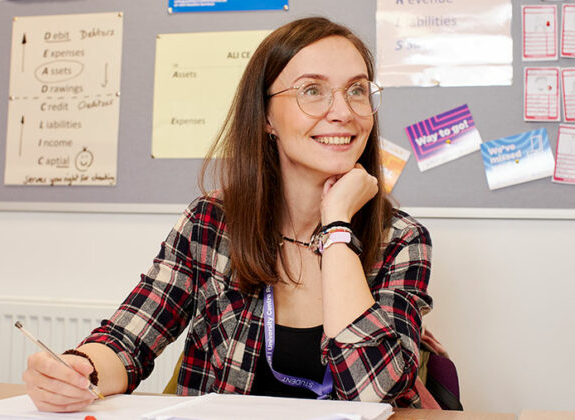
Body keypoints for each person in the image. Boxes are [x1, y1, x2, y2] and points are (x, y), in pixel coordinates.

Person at [22, 16, 433, 412]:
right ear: (267, 116)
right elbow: (128, 340)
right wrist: (79, 372)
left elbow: (373, 391)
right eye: (312, 90)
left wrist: (338, 225)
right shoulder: (211, 223)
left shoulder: (401, 239)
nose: (343, 111)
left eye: (357, 90)